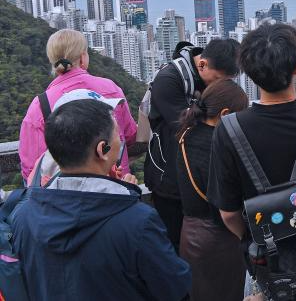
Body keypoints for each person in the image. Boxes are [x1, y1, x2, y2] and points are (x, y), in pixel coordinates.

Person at [208, 23, 296, 300]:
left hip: (266, 263)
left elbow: (227, 213)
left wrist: (253, 235)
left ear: (248, 73)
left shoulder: (229, 130)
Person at [12, 98, 191, 301]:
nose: (120, 141)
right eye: (117, 135)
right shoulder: (138, 222)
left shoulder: (23, 215)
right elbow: (173, 287)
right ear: (102, 149)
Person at [146, 38, 240, 251]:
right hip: (168, 177)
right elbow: (184, 127)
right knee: (174, 245)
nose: (217, 86)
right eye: (216, 80)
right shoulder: (168, 79)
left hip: (200, 175)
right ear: (203, 64)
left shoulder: (208, 75)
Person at [19, 29, 137, 183]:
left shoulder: (41, 105)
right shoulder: (111, 89)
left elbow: (30, 167)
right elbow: (130, 134)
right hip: (117, 185)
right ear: (83, 58)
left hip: (65, 197)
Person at [176, 78, 250, 301]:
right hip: (220, 241)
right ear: (225, 114)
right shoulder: (220, 147)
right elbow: (227, 204)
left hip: (189, 235)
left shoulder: (185, 134)